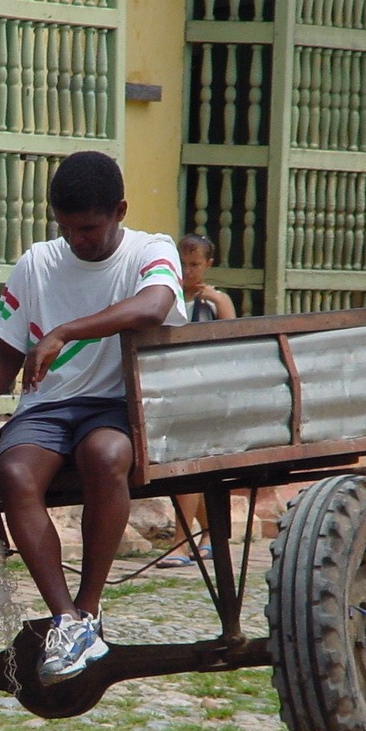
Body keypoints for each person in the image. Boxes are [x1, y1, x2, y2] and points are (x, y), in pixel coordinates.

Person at [0, 151, 186, 685]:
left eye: (88, 228)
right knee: (15, 473)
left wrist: (64, 331)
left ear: (120, 211)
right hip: (48, 408)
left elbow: (153, 307)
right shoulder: (37, 262)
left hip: (117, 405)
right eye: (66, 228)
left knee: (106, 454)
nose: (77, 240)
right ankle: (65, 617)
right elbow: (4, 361)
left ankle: (89, 608)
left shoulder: (151, 250)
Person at [157, 233, 237, 570]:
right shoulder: (167, 297)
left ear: (208, 265)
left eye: (195, 264)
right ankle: (210, 535)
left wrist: (216, 300)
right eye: (184, 264)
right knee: (193, 465)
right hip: (175, 387)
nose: (189, 271)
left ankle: (180, 542)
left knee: (188, 465)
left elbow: (233, 338)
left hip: (206, 392)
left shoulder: (215, 302)